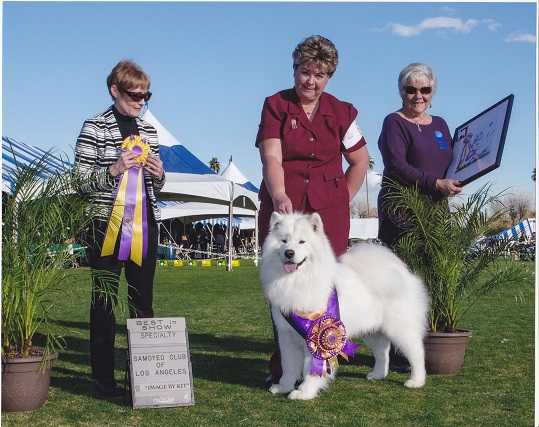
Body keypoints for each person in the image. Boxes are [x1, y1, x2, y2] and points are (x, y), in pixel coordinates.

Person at [256, 35, 370, 384]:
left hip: (327, 217)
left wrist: (342, 197)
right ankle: (285, 369)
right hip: (283, 210)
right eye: (305, 72)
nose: (311, 81)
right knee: (282, 288)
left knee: (325, 287)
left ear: (329, 77)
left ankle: (323, 361)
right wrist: (278, 193)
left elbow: (360, 159)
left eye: (320, 75)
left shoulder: (342, 112)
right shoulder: (276, 105)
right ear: (295, 71)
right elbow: (272, 155)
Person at [74, 60, 165, 397]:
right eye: (135, 94)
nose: (141, 101)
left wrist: (158, 175)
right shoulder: (94, 127)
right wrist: (113, 170)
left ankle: (144, 377)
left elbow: (157, 189)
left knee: (143, 303)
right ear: (115, 90)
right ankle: (103, 378)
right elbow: (79, 181)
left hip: (145, 225)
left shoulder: (149, 132)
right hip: (103, 225)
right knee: (104, 303)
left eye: (146, 96)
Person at [377, 62, 462, 371]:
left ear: (432, 91)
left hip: (436, 210)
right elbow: (397, 165)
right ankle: (399, 349)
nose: (417, 96)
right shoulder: (394, 123)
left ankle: (430, 340)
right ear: (401, 91)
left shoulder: (440, 123)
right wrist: (434, 183)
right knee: (405, 278)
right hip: (403, 211)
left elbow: (453, 159)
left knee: (436, 275)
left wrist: (462, 173)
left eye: (424, 90)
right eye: (410, 89)